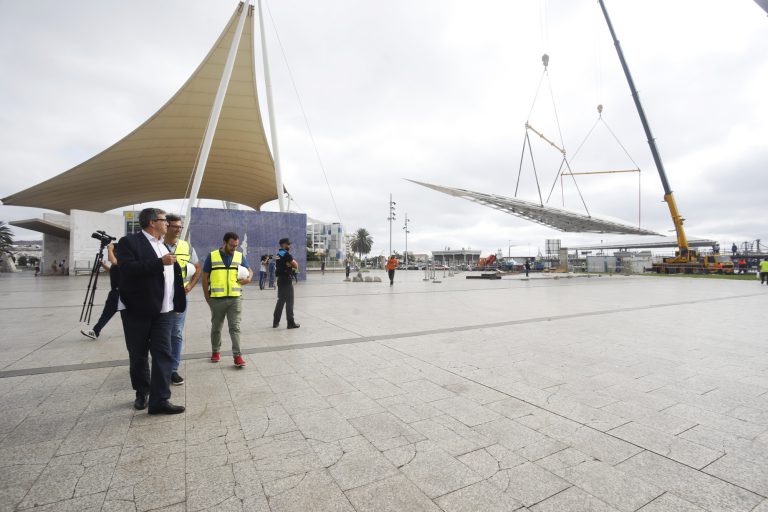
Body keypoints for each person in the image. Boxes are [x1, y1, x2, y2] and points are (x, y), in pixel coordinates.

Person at [116, 208, 186, 415]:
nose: (167, 224)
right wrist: (159, 263)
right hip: (138, 309)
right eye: (164, 221)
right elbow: (127, 269)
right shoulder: (129, 242)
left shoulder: (162, 245)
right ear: (152, 222)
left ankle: (160, 400)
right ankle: (142, 392)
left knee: (163, 353)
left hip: (164, 310)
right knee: (138, 354)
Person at [202, 232, 252, 367]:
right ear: (224, 243)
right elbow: (205, 277)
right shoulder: (212, 256)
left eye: (236, 245)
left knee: (235, 328)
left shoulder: (239, 255)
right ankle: (215, 351)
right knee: (216, 327)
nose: (234, 248)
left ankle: (237, 356)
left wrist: (248, 278)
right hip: (217, 299)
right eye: (231, 245)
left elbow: (249, 270)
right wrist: (208, 298)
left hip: (235, 298)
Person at [163, 214, 202, 386]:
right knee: (159, 334)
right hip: (159, 297)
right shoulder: (155, 245)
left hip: (179, 298)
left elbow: (197, 268)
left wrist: (190, 286)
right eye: (175, 226)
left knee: (176, 333)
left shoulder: (186, 247)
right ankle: (159, 366)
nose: (178, 229)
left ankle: (173, 370)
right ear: (166, 226)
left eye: (180, 226)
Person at [81, 242, 120, 340]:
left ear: (116, 252)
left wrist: (109, 249)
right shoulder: (117, 262)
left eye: (113, 251)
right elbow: (112, 270)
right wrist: (102, 265)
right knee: (107, 314)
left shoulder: (121, 260)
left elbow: (114, 262)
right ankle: (95, 331)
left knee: (107, 314)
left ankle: (95, 331)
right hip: (117, 293)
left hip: (118, 293)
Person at [273, 238, 300, 329]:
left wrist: (289, 264)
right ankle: (290, 323)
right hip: (286, 280)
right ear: (283, 244)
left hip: (280, 280)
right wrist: (291, 264)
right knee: (289, 302)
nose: (289, 246)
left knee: (280, 301)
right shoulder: (286, 254)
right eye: (288, 244)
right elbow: (295, 265)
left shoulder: (278, 254)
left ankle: (275, 322)